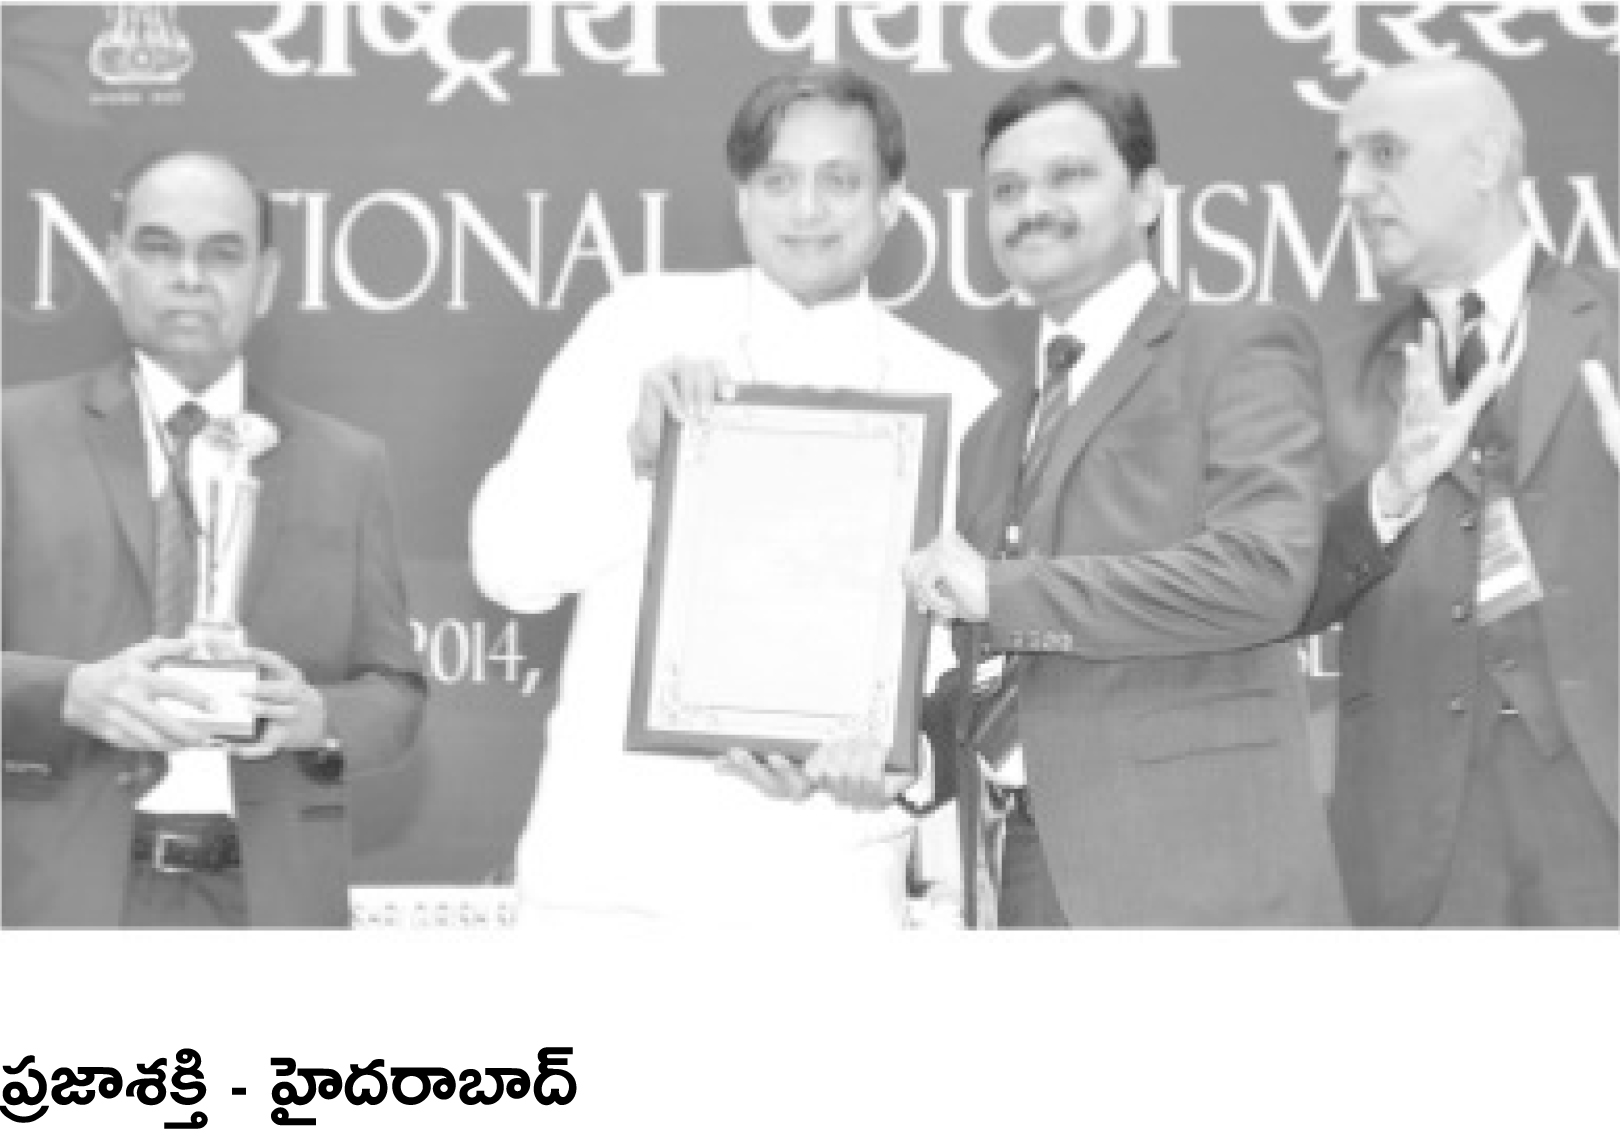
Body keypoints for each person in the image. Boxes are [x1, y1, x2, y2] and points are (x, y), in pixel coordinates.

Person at [470, 64, 994, 928]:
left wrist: (895, 762)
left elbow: (965, 664)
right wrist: (638, 460)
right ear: (742, 198)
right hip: (612, 889)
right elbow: (508, 566)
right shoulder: (635, 327)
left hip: (827, 891)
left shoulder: (955, 393)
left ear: (894, 200)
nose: (806, 209)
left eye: (840, 180)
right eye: (778, 180)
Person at [905, 76, 1346, 927]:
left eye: (1067, 175)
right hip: (1019, 878)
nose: (1032, 206)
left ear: (1147, 193)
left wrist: (1004, 590)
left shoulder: (1237, 346)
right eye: (1006, 189)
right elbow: (1003, 674)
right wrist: (897, 748)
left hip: (1197, 877)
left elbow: (1263, 573)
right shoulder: (992, 431)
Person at [2, 150, 425, 926]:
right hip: (59, 900)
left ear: (266, 280)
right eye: (159, 247)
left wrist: (316, 717)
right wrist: (70, 694)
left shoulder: (347, 464)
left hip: (269, 908)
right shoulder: (14, 438)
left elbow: (396, 699)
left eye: (223, 252)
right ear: (113, 265)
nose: (190, 276)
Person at [1298, 58, 1617, 926]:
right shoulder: (1328, 368)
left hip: (1601, 801)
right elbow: (1282, 589)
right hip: (1413, 837)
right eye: (1343, 162)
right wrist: (1388, 495)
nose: (1352, 189)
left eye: (1383, 153)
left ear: (1484, 160)